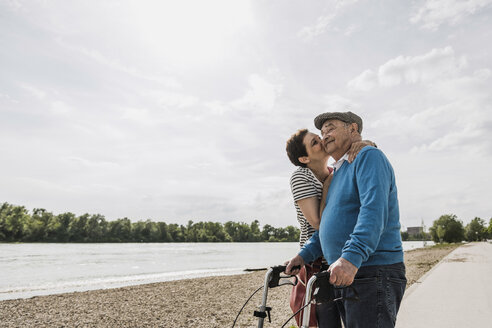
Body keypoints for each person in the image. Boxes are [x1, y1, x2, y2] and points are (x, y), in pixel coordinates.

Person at [286, 111, 406, 328]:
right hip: (346, 272)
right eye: (322, 133)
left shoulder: (368, 157)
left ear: (352, 129)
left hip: (370, 270)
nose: (324, 136)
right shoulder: (338, 173)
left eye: (330, 128)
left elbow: (373, 212)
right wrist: (303, 256)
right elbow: (327, 226)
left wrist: (351, 258)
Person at [285, 129, 374, 328]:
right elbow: (317, 222)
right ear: (304, 158)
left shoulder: (337, 171)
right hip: (316, 260)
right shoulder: (301, 176)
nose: (322, 141)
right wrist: (328, 187)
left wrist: (365, 144)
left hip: (341, 258)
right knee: (325, 321)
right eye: (315, 142)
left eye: (319, 138)